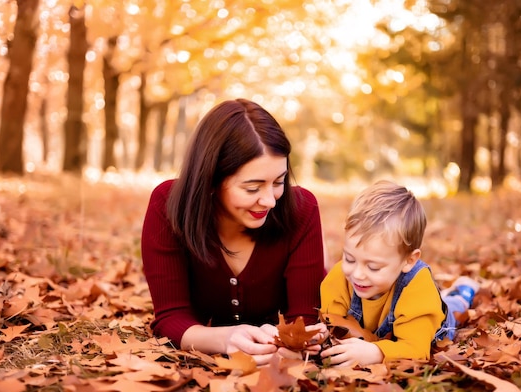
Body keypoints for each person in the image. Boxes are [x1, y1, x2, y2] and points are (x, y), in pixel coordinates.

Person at [141, 98, 325, 365]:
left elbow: (304, 319)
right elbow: (171, 317)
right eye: (252, 188)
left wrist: (287, 345)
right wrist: (225, 339)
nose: (270, 201)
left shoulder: (302, 209)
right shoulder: (168, 205)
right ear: (211, 179)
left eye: (279, 181)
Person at [318, 180, 479, 366]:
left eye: (373, 267)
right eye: (349, 259)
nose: (358, 274)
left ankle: (463, 290)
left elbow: (416, 350)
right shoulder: (340, 277)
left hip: (428, 323)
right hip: (389, 325)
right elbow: (330, 319)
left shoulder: (417, 287)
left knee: (453, 307)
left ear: (409, 261)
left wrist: (377, 352)